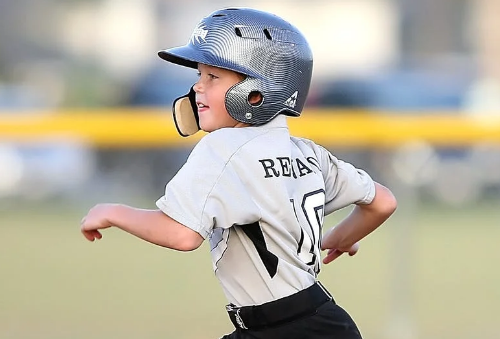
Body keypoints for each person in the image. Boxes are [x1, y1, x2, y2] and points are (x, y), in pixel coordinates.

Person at [80, 7, 397, 339]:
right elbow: (383, 202)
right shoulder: (308, 152)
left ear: (257, 92)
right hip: (327, 323)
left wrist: (113, 212)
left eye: (212, 78)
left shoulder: (224, 148)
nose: (198, 88)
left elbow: (182, 235)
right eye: (199, 75)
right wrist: (340, 238)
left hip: (277, 329)